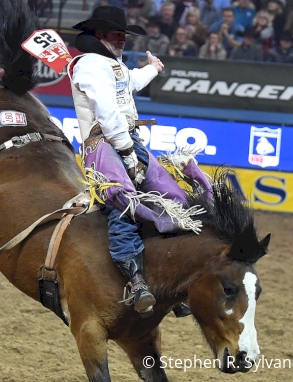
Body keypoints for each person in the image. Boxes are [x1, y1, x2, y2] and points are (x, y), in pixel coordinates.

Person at [69, 6, 208, 318]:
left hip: (125, 139)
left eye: (124, 36)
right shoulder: (90, 66)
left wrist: (152, 69)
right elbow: (106, 113)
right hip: (102, 144)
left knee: (173, 198)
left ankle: (171, 279)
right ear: (100, 34)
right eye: (119, 35)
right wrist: (129, 154)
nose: (124, 41)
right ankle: (135, 281)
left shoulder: (108, 63)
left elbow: (127, 82)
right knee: (125, 204)